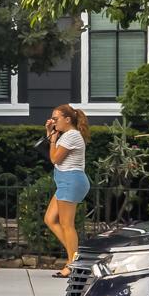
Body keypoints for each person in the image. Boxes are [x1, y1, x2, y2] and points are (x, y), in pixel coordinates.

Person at [43, 104, 90, 276]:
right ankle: (77, 257)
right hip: (65, 181)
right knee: (49, 219)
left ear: (67, 119)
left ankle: (73, 263)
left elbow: (54, 158)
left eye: (56, 119)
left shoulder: (71, 135)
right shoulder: (66, 135)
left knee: (67, 225)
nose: (53, 121)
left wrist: (53, 138)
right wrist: (51, 134)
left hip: (71, 181)